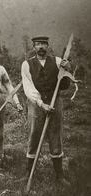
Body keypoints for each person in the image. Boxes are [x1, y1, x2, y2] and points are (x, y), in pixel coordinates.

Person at [21, 36, 71, 186]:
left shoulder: (57, 61)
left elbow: (64, 86)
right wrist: (41, 104)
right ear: (34, 47)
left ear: (48, 46)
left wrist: (66, 69)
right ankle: (28, 174)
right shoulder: (26, 64)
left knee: (55, 136)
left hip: (55, 102)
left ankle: (59, 176)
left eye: (43, 44)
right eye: (38, 44)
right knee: (34, 134)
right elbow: (28, 88)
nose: (41, 47)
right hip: (36, 104)